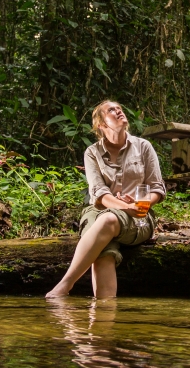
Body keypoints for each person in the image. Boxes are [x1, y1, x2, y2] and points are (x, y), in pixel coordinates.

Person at [46, 100, 165, 298]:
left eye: (120, 108)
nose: (119, 111)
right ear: (101, 125)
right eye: (111, 110)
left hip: (139, 215)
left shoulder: (143, 147)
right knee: (103, 249)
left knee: (109, 220)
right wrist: (123, 206)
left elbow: (158, 189)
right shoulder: (92, 152)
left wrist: (138, 204)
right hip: (100, 211)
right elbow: (100, 194)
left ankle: (65, 285)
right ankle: (103, 321)